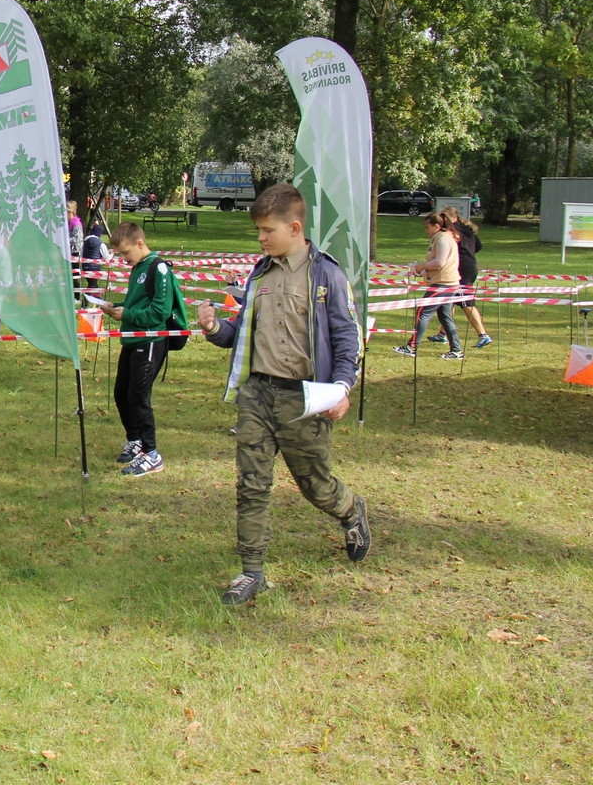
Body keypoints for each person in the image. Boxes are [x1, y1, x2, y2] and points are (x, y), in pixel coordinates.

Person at [195, 182, 369, 606]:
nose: (260, 238)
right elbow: (245, 336)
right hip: (257, 395)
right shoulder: (260, 273)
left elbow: (349, 340)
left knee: (315, 485)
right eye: (258, 230)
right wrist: (217, 329)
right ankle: (251, 572)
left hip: (304, 400)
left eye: (267, 230)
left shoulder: (326, 274)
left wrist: (342, 388)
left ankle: (350, 510)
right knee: (251, 485)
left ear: (294, 227)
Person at [96, 223, 180, 478]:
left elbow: (160, 311)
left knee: (138, 396)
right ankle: (134, 440)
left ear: (140, 244)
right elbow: (137, 303)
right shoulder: (137, 269)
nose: (123, 259)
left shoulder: (159, 268)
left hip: (152, 340)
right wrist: (116, 306)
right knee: (121, 393)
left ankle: (151, 453)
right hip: (132, 339)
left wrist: (128, 314)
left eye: (125, 253)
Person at [392, 212, 463, 360]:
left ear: (436, 226)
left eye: (427, 227)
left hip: (443, 284)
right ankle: (456, 350)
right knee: (445, 316)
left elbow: (439, 263)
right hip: (446, 282)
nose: (426, 230)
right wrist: (423, 270)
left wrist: (420, 266)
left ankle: (411, 347)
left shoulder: (442, 238)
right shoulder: (442, 238)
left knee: (423, 312)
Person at [428, 206, 491, 349]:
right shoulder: (467, 229)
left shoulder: (451, 231)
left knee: (466, 302)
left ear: (450, 217)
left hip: (463, 269)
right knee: (450, 299)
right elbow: (478, 246)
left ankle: (483, 335)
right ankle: (442, 334)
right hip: (470, 266)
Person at [80, 219, 112, 306]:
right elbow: (107, 257)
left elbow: (81, 253)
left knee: (93, 284)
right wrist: (112, 254)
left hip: (85, 267)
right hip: (95, 268)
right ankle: (84, 304)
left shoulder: (84, 242)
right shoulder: (100, 244)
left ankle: (100, 302)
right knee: (92, 286)